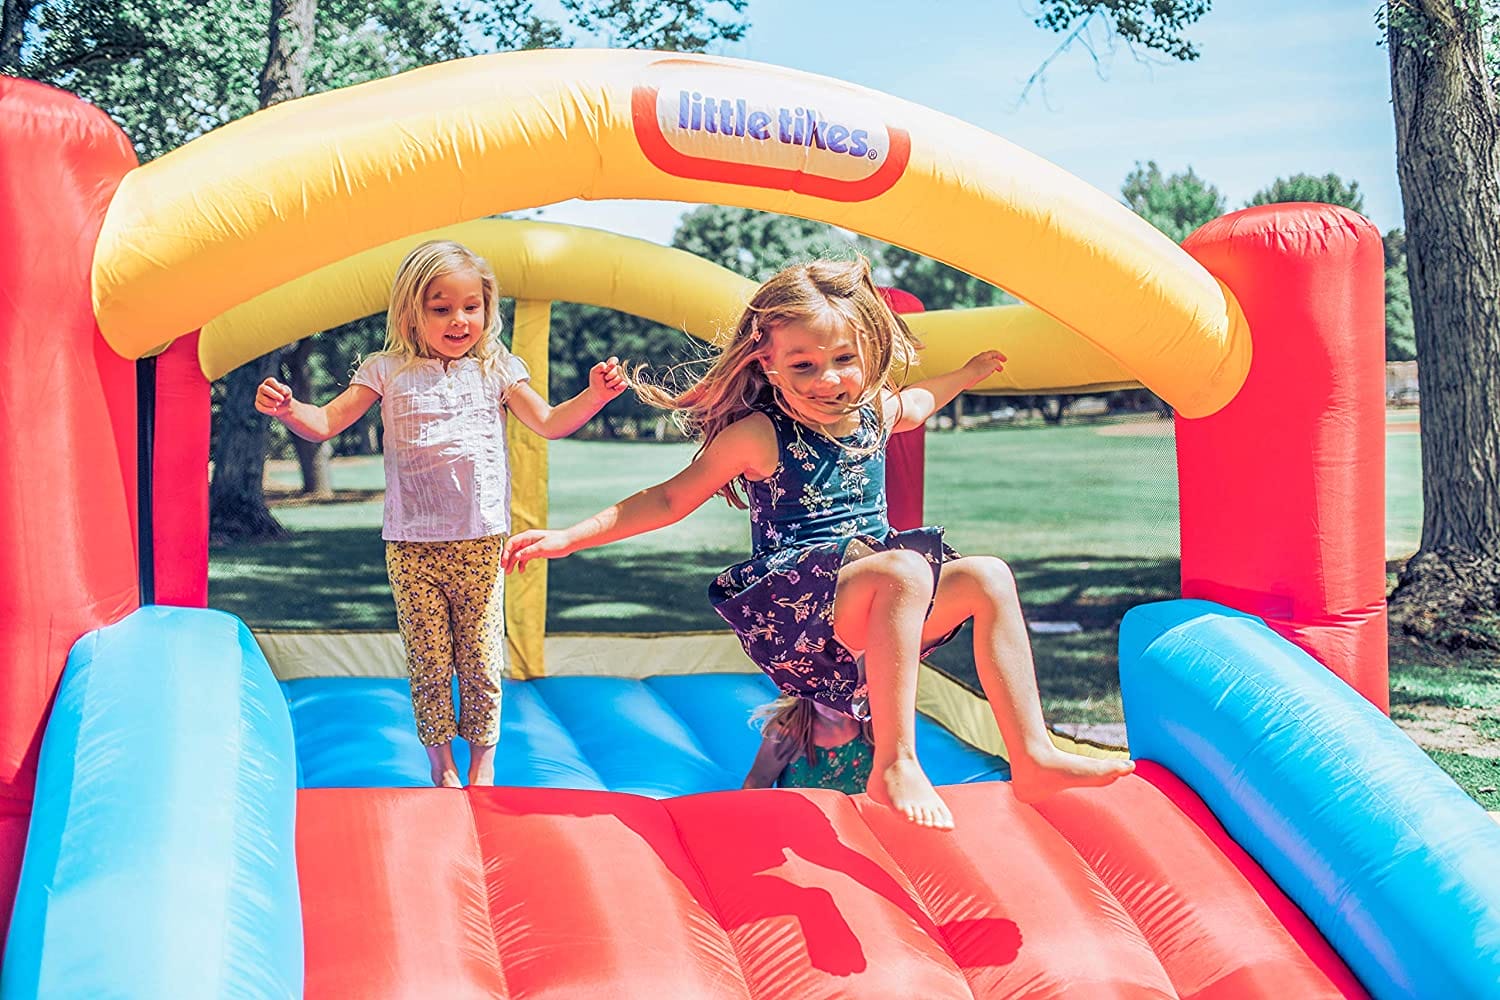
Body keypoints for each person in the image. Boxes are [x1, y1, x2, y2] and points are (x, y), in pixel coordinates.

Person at [502, 256, 1132, 828]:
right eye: (803, 364)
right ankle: (895, 763)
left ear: (868, 354)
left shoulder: (874, 411)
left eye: (844, 361)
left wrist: (966, 373)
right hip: (799, 615)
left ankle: (1033, 756)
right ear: (767, 363)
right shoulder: (757, 433)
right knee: (907, 570)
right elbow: (668, 499)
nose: (828, 380)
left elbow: (917, 401)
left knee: (989, 574)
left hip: (871, 607)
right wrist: (567, 538)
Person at [255, 239, 626, 788]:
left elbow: (548, 421)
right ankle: (441, 765)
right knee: (430, 660)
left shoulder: (497, 368)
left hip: (479, 540)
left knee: (478, 658)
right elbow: (326, 423)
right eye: (441, 308)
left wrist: (593, 396)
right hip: (412, 545)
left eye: (470, 307)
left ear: (486, 308)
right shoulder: (385, 370)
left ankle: (482, 766)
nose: (459, 320)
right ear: (412, 312)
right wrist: (290, 410)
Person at [743, 695, 875, 793]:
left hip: (855, 823)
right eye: (827, 693)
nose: (838, 702)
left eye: (848, 691)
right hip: (803, 823)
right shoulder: (787, 733)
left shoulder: (872, 726)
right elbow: (755, 785)